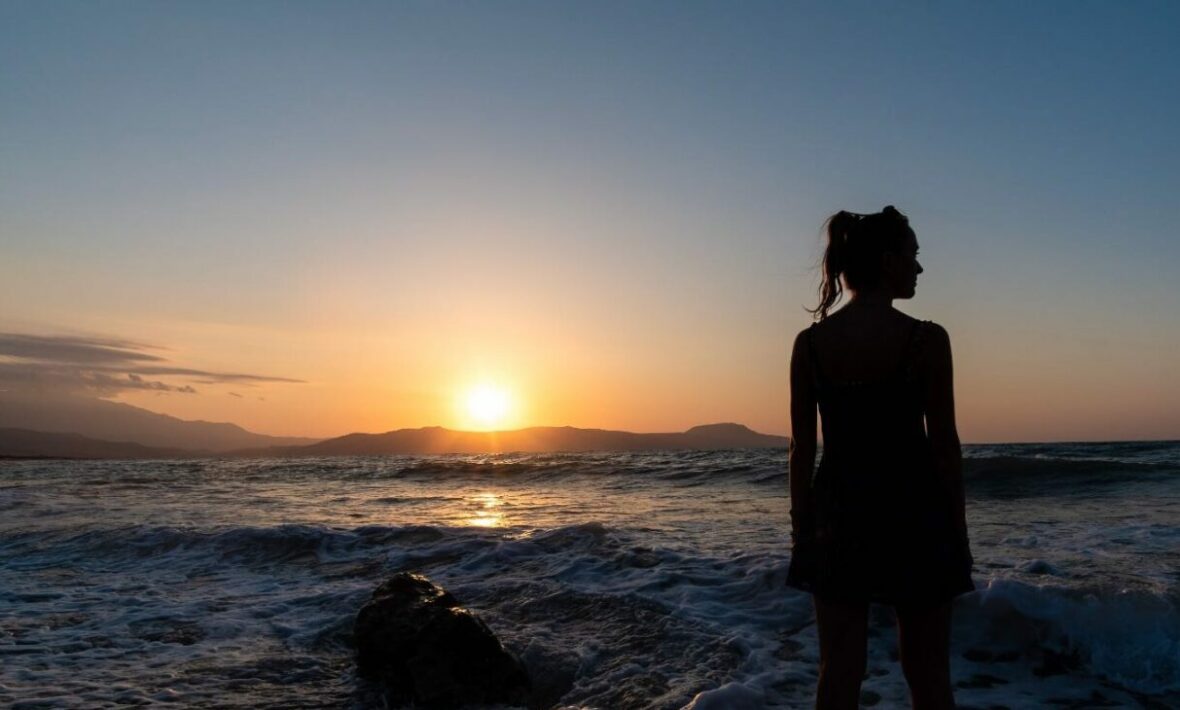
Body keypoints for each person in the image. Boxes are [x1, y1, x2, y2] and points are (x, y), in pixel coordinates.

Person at [785, 206, 974, 710]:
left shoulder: (810, 346)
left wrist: (802, 525)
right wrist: (957, 528)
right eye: (913, 255)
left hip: (838, 514)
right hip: (914, 512)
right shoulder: (927, 341)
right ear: (888, 260)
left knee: (839, 670)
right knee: (929, 674)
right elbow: (944, 446)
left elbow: (802, 449)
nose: (919, 268)